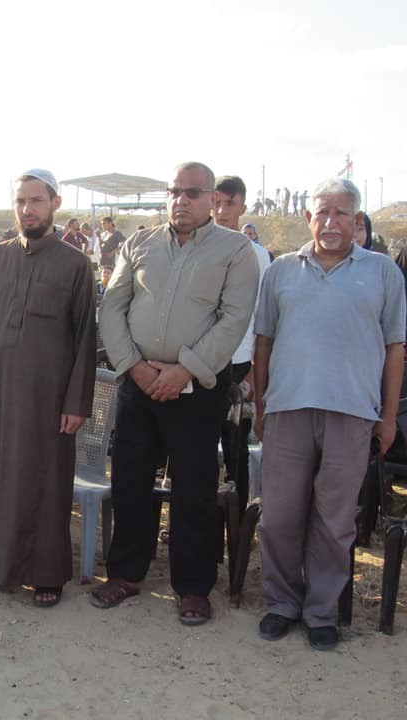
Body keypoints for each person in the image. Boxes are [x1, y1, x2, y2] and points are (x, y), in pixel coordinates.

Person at [93, 161, 259, 624]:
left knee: (194, 488)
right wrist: (135, 366)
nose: (180, 200)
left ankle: (192, 587)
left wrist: (184, 370)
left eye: (192, 193)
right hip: (138, 384)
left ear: (212, 199)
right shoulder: (139, 243)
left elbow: (234, 318)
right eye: (174, 192)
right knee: (130, 480)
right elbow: (113, 307)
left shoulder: (236, 250)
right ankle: (126, 574)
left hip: (197, 390)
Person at [254, 178, 405, 651]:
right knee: (279, 515)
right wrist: (261, 405)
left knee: (335, 520)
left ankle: (321, 611)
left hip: (353, 412)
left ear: (357, 221)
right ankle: (282, 603)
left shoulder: (382, 272)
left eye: (341, 213)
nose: (331, 222)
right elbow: (263, 342)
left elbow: (395, 347)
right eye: (323, 212)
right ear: (309, 217)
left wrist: (388, 417)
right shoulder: (281, 270)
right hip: (288, 409)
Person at [0, 169, 96, 608]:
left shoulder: (75, 264)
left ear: (55, 204)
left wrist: (76, 402)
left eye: (36, 200)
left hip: (46, 398)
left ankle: (45, 573)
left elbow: (84, 340)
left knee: (44, 482)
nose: (27, 209)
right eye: (21, 201)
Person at [213, 176, 271, 513]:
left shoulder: (258, 256)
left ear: (242, 207)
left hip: (239, 363)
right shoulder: (199, 247)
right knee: (197, 449)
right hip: (201, 364)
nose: (222, 211)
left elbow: (263, 318)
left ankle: (237, 528)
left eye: (230, 204)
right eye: (217, 203)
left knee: (236, 451)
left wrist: (253, 372)